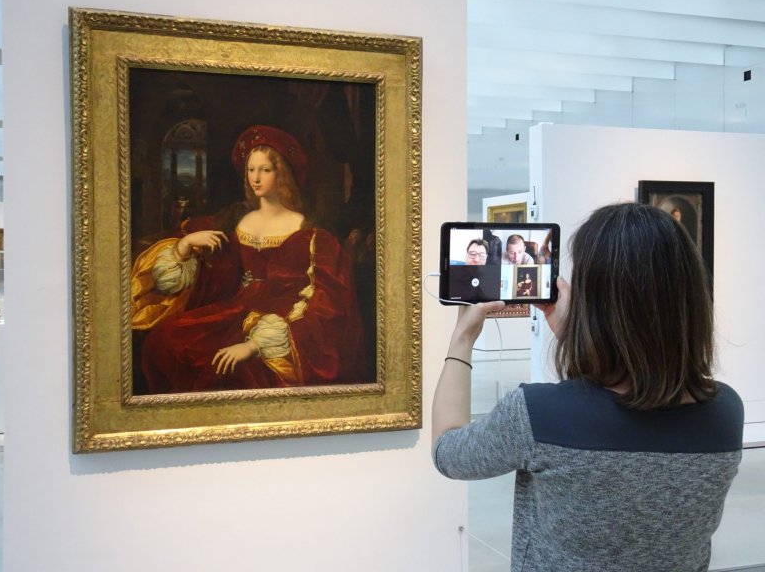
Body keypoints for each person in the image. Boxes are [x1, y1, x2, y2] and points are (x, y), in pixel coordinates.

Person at [432, 202, 743, 572]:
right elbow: (609, 405)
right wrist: (579, 339)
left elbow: (448, 452)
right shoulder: (726, 414)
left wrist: (463, 336)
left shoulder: (537, 416)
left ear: (594, 304)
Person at [130, 125, 366, 393]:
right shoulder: (233, 220)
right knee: (166, 340)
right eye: (251, 169)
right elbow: (210, 269)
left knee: (244, 370)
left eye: (265, 170)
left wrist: (256, 344)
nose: (256, 178)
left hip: (280, 315)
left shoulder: (311, 234)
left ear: (282, 174)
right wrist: (185, 245)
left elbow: (324, 300)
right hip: (232, 310)